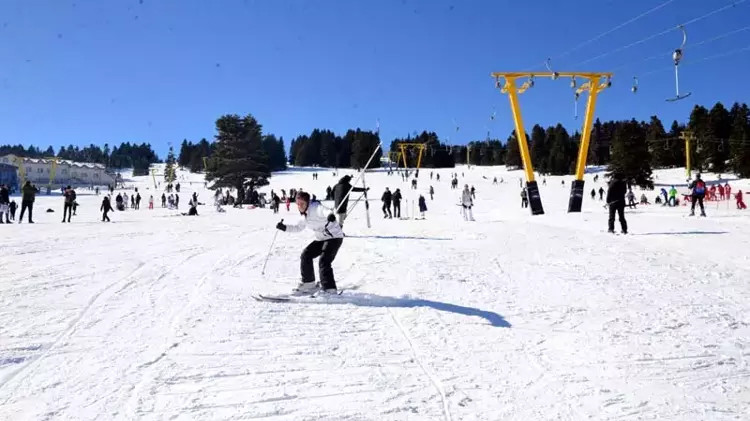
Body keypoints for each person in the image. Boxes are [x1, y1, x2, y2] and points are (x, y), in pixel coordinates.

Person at [275, 191, 344, 294]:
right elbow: (298, 227)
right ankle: (309, 283)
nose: (300, 206)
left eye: (302, 203)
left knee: (324, 261)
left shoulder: (315, 208)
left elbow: (325, 211)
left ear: (307, 202)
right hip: (321, 239)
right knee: (306, 254)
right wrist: (284, 227)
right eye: (298, 204)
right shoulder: (304, 216)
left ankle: (329, 289)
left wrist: (330, 215)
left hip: (334, 237)